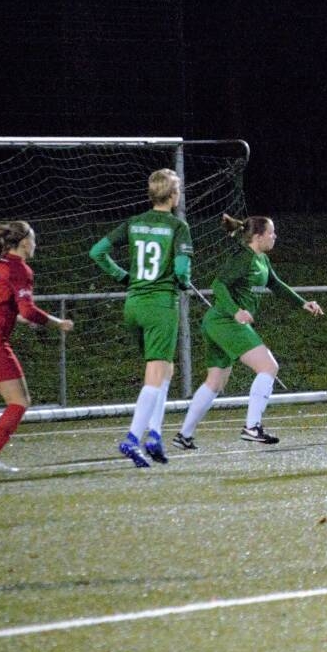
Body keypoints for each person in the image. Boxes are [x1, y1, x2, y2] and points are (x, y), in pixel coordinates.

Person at [172, 214, 323, 449]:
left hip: (218, 323)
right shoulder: (243, 257)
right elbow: (218, 284)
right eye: (271, 233)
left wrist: (303, 303)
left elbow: (275, 284)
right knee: (268, 366)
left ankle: (184, 435)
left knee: (215, 382)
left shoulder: (261, 259)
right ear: (258, 236)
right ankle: (252, 427)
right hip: (225, 321)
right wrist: (235, 311)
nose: (275, 236)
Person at [89, 168, 193, 468]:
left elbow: (97, 252)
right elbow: (182, 270)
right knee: (155, 374)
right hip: (160, 306)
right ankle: (133, 438)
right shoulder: (178, 226)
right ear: (172, 195)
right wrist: (184, 281)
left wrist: (123, 276)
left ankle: (155, 436)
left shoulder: (134, 222)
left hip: (133, 305)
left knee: (165, 370)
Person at [0, 222, 74, 473]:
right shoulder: (19, 269)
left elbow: (2, 307)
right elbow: (28, 310)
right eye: (33, 239)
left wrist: (20, 318)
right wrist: (58, 323)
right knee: (19, 401)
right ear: (24, 242)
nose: (35, 244)